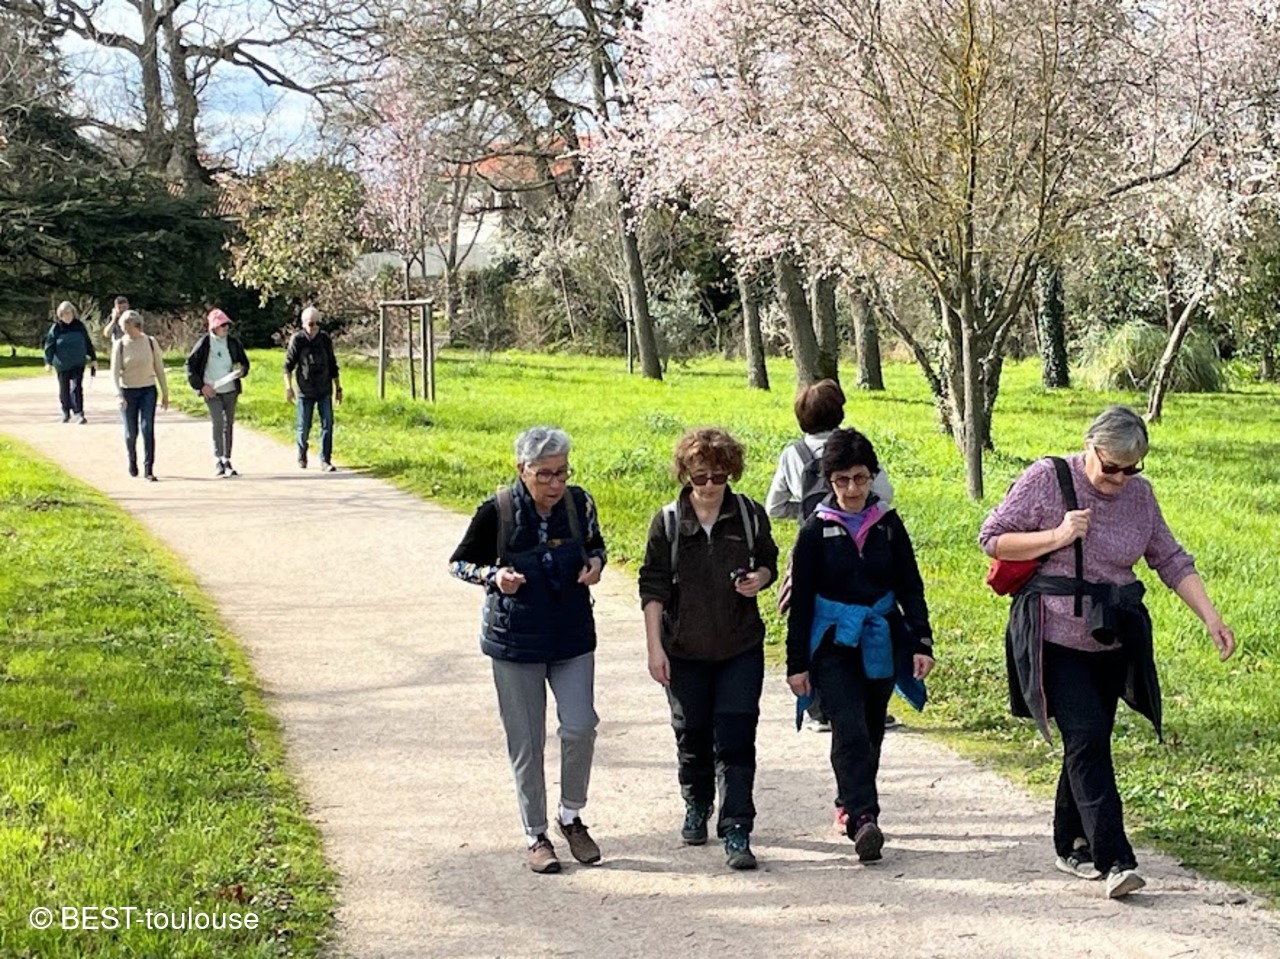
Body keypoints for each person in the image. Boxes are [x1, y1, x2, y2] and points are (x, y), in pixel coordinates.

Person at [979, 406, 1236, 899]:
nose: (1120, 479)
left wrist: (1211, 617)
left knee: (1088, 741)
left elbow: (1170, 559)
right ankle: (1115, 859)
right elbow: (992, 540)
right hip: (1054, 635)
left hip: (1113, 636)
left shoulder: (1140, 496)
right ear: (1089, 447)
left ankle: (1070, 843)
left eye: (1131, 469)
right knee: (1088, 737)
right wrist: (1058, 536)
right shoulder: (1049, 479)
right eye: (1111, 467)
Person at [448, 427, 607, 874]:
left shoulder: (579, 503)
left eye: (562, 473)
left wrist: (596, 564)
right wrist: (494, 577)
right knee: (527, 741)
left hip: (571, 635)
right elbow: (459, 563)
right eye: (545, 475)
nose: (556, 484)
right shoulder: (497, 510)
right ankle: (536, 835)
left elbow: (595, 545)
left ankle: (571, 816)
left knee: (580, 727)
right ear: (523, 470)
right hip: (515, 642)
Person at [785, 428, 935, 862]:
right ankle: (864, 818)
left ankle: (848, 800)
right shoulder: (815, 531)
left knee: (870, 730)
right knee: (848, 727)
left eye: (860, 478)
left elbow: (910, 585)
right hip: (834, 642)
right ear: (829, 481)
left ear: (872, 476)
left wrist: (921, 641)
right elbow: (801, 602)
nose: (852, 489)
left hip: (881, 637)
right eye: (842, 480)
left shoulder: (888, 525)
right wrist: (797, 664)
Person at [639, 428, 779, 870]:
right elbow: (652, 587)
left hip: (740, 646)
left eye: (719, 476)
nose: (710, 485)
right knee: (693, 734)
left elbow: (769, 561)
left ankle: (737, 827)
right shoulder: (667, 522)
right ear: (685, 475)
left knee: (737, 738)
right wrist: (654, 648)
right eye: (700, 477)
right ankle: (697, 801)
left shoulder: (749, 515)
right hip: (683, 650)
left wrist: (760, 579)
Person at [766, 378, 898, 733]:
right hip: (859, 542)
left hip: (809, 545)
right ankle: (868, 701)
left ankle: (818, 707)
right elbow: (885, 495)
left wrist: (804, 512)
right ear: (840, 412)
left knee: (810, 618)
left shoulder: (793, 454)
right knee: (865, 614)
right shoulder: (855, 450)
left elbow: (774, 505)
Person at [185, 308, 250, 478]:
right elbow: (190, 366)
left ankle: (227, 459)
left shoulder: (233, 343)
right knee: (218, 422)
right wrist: (201, 386)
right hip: (212, 391)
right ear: (213, 327)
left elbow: (244, 363)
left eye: (227, 325)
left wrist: (242, 370)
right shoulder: (205, 343)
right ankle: (218, 459)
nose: (226, 328)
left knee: (229, 424)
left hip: (230, 390)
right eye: (222, 325)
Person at [110, 310, 169, 481]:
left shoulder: (150, 342)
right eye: (123, 328)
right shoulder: (120, 345)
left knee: (147, 428)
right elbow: (114, 373)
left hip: (148, 390)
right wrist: (118, 395)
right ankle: (132, 460)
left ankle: (148, 468)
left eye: (127, 327)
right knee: (131, 432)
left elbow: (159, 368)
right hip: (128, 391)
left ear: (135, 325)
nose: (125, 331)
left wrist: (165, 392)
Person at [284, 307, 342, 471]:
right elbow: (287, 366)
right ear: (304, 324)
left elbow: (333, 365)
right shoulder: (298, 340)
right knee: (304, 427)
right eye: (311, 324)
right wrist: (288, 388)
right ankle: (302, 453)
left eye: (317, 323)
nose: (314, 327)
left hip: (324, 389)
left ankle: (325, 459)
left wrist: (338, 388)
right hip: (305, 390)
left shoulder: (324, 339)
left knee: (328, 424)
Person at [42, 301, 97, 424]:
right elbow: (49, 345)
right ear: (60, 315)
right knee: (64, 389)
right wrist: (48, 362)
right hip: (62, 364)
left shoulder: (79, 326)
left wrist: (93, 358)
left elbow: (87, 342)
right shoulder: (56, 328)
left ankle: (79, 413)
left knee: (77, 387)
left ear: (73, 313)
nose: (67, 316)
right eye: (64, 314)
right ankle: (65, 411)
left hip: (78, 362)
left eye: (69, 313)